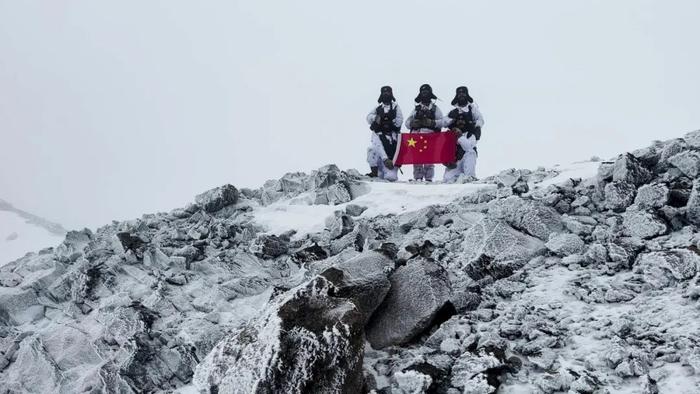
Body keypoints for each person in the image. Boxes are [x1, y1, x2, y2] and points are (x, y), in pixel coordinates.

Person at [404, 84, 446, 182]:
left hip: (430, 135)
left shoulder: (436, 109)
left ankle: (428, 178)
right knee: (417, 158)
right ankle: (418, 178)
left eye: (427, 92)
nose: (425, 94)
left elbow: (443, 122)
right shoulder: (416, 109)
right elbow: (407, 123)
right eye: (423, 92)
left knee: (429, 158)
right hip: (416, 136)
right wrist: (413, 123)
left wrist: (432, 123)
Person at [443, 86, 484, 182]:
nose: (461, 95)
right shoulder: (453, 112)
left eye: (463, 93)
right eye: (459, 93)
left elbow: (480, 120)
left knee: (468, 175)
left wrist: (461, 135)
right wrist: (446, 161)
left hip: (467, 154)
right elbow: (444, 122)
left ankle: (470, 177)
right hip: (456, 157)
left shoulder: (472, 109)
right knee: (448, 179)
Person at [365, 86, 403, 181]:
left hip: (391, 158)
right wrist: (376, 118)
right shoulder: (377, 109)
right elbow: (368, 117)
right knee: (371, 149)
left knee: (390, 177)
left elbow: (400, 121)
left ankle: (387, 172)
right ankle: (375, 172)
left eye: (388, 92)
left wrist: (391, 121)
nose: (386, 94)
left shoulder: (396, 107)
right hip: (382, 159)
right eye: (384, 93)